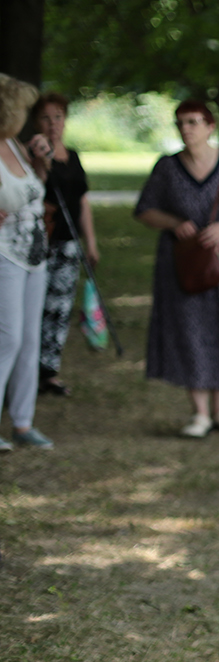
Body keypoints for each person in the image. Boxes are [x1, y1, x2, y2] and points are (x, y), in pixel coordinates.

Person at [134, 99, 219, 438]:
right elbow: (145, 210)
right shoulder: (167, 168)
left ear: (211, 126)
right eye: (181, 123)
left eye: (194, 122)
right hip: (185, 264)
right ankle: (199, 412)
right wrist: (174, 222)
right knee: (189, 330)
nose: (187, 129)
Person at [0, 73, 53, 451]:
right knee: (8, 337)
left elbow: (36, 190)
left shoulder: (15, 147)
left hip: (35, 252)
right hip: (4, 252)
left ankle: (22, 422)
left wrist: (41, 163)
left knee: (30, 338)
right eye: (21, 109)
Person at [32, 92, 97, 399]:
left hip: (68, 244)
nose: (53, 124)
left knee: (59, 309)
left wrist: (91, 243)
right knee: (35, 307)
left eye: (58, 117)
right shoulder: (30, 155)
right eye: (46, 117)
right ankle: (26, 371)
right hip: (40, 243)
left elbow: (82, 201)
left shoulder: (72, 157)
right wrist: (41, 161)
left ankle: (49, 371)